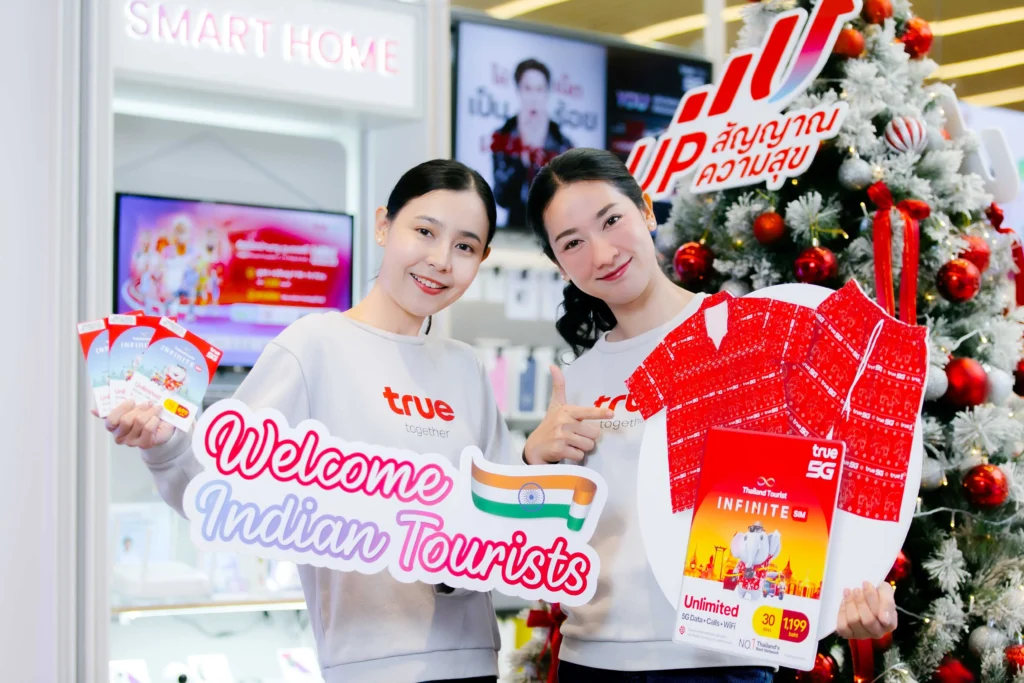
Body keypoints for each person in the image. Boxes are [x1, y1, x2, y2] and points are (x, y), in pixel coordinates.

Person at [101, 160, 513, 683]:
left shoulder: (465, 367)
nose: (440, 260)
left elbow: (502, 521)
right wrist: (166, 447)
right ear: (384, 225)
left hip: (472, 659)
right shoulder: (312, 345)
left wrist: (530, 473)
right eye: (425, 232)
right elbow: (219, 485)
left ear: (482, 258)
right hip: (366, 664)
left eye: (465, 246)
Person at [522, 148, 897, 683]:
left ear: (646, 210)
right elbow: (544, 551)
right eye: (573, 243)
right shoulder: (575, 382)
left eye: (611, 220)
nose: (602, 253)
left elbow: (823, 480)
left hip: (722, 662)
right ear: (560, 264)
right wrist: (533, 461)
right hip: (593, 660)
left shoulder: (746, 332)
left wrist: (853, 592)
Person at [491, 58, 572, 227]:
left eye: (539, 89)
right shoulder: (503, 136)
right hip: (514, 231)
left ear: (547, 93)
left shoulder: (562, 143)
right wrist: (521, 162)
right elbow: (501, 197)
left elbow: (568, 200)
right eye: (527, 89)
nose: (534, 97)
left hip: (553, 231)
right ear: (518, 90)